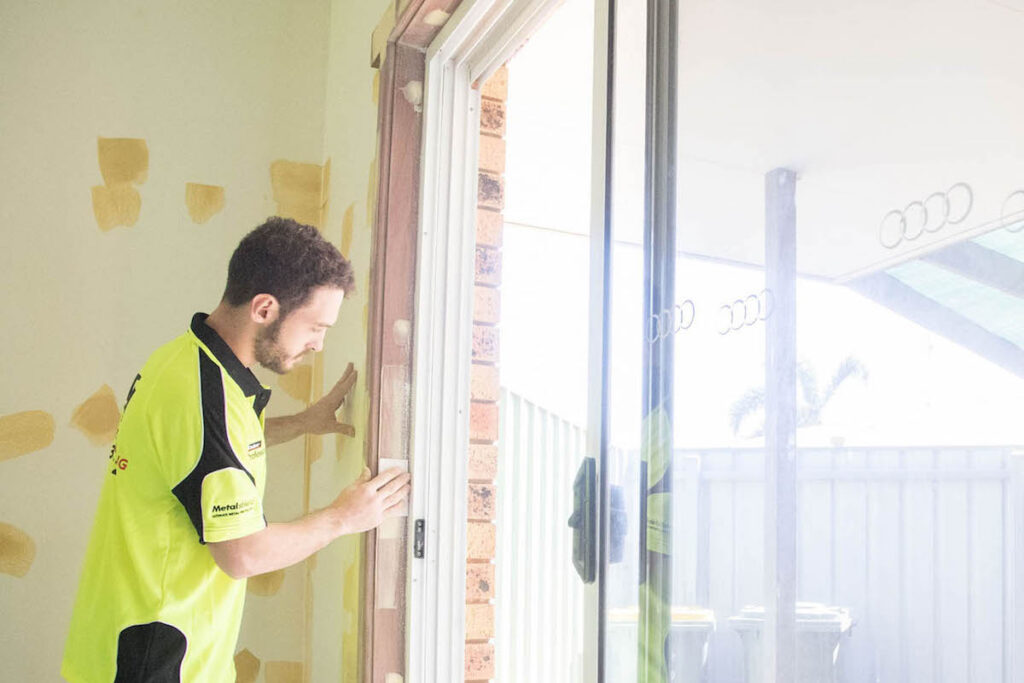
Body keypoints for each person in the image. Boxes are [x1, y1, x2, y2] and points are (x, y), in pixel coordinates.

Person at [62, 217, 410, 682]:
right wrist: (343, 517)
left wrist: (302, 424)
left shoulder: (182, 360)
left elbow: (199, 458)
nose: (319, 344)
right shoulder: (204, 397)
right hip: (157, 659)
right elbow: (242, 554)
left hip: (133, 641)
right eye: (316, 326)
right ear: (265, 308)